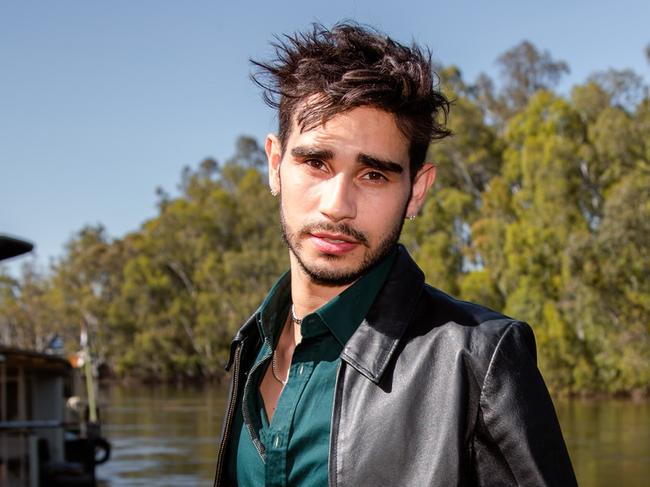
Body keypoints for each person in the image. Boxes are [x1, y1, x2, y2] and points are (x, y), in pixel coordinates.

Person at [214, 22, 577, 486]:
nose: (337, 206)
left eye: (374, 176)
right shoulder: (252, 348)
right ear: (275, 165)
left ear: (417, 191)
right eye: (316, 163)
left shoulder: (479, 362)